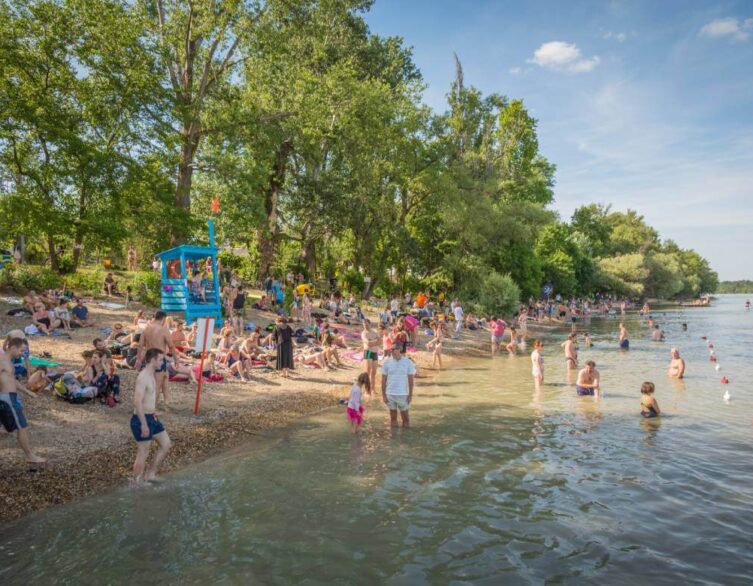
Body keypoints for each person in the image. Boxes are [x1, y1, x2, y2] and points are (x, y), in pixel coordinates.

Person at [0, 337, 46, 464]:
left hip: (10, 397)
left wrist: (28, 392)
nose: (22, 354)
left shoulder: (9, 361)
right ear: (13, 348)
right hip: (7, 398)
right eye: (21, 351)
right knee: (22, 427)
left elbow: (12, 380)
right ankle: (29, 456)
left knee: (9, 428)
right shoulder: (2, 361)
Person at [131, 348, 171, 482]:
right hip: (141, 420)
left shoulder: (152, 375)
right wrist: (143, 424)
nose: (163, 362)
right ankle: (136, 483)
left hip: (152, 417)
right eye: (160, 359)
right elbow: (137, 402)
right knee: (143, 452)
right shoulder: (142, 377)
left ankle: (149, 474)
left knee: (166, 444)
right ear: (153, 360)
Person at [136, 311, 181, 404]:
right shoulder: (163, 329)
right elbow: (171, 346)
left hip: (148, 358)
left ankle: (166, 401)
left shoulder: (146, 329)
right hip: (159, 359)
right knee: (156, 386)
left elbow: (140, 345)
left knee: (165, 376)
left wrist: (138, 359)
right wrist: (176, 359)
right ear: (164, 318)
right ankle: (151, 409)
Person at [380, 345, 416, 428]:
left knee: (406, 420)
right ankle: (394, 439)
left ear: (399, 349)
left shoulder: (408, 362)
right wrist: (384, 396)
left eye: (394, 349)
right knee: (393, 419)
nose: (392, 351)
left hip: (402, 394)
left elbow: (411, 380)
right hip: (390, 394)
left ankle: (405, 439)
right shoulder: (387, 362)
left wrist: (410, 395)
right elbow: (383, 380)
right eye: (391, 349)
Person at [361, 320, 380, 393]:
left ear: (370, 324)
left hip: (375, 353)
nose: (365, 326)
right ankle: (366, 390)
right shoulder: (363, 333)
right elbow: (368, 343)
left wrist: (372, 341)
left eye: (366, 324)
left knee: (374, 372)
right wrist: (375, 341)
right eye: (364, 325)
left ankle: (373, 389)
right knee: (367, 372)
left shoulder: (374, 331)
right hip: (368, 352)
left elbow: (380, 341)